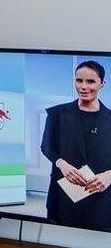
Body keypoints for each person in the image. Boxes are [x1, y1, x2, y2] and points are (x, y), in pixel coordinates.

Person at [41, 60, 111, 229]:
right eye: (79, 80)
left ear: (102, 84)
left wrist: (110, 175)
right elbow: (46, 147)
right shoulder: (57, 114)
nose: (83, 87)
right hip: (63, 196)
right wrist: (61, 164)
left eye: (90, 81)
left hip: (101, 199)